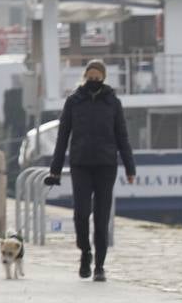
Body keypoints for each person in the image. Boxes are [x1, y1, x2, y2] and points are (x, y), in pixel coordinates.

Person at [44, 60, 136, 282]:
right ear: (85, 77)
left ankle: (100, 266)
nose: (94, 81)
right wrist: (55, 170)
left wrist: (129, 167)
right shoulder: (73, 102)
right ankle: (85, 252)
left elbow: (122, 136)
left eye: (98, 77)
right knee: (81, 214)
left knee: (102, 218)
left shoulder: (113, 102)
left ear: (103, 78)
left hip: (106, 165)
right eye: (90, 77)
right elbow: (63, 137)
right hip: (80, 164)